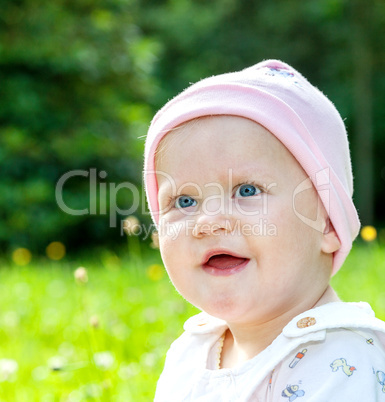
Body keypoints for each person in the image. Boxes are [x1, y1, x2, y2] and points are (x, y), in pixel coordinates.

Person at [143, 59, 385, 401]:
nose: (208, 222)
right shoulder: (191, 354)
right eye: (184, 201)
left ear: (328, 223)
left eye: (246, 191)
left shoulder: (341, 360)